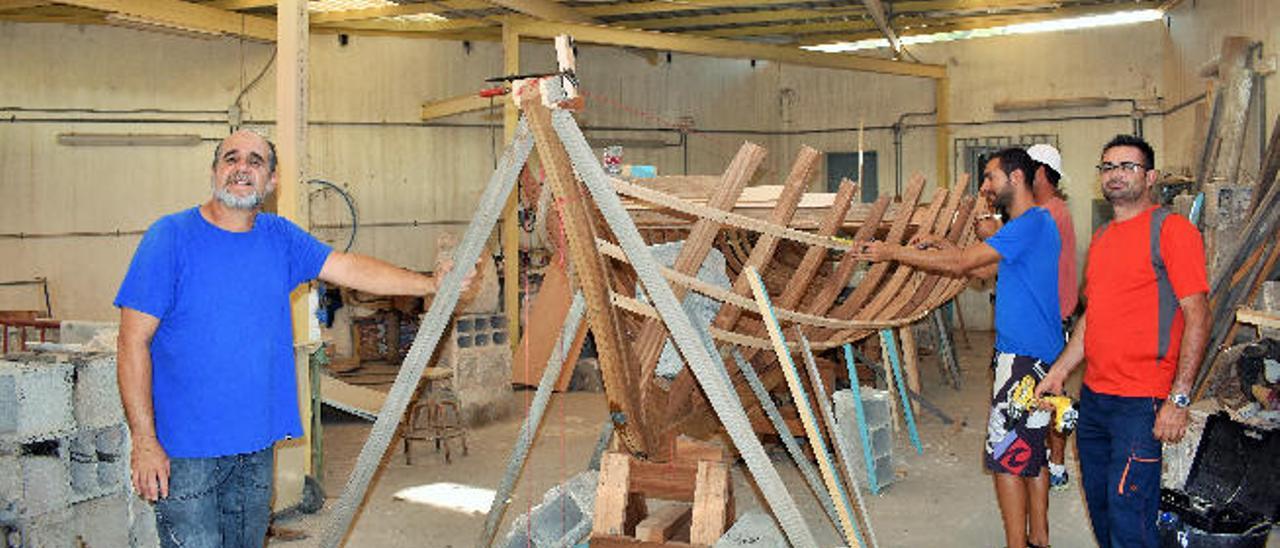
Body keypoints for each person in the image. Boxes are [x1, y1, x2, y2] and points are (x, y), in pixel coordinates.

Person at [115, 130, 474, 548]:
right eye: (231, 159)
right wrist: (144, 441)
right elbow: (131, 343)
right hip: (187, 451)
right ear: (214, 172)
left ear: (271, 181)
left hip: (255, 444)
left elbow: (350, 269)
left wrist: (430, 284)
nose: (242, 168)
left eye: (255, 161)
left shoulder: (279, 237)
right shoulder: (171, 237)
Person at [860, 147, 1062, 548]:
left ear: (1016, 178)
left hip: (1022, 357)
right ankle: (1039, 538)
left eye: (991, 177)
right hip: (1039, 354)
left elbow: (963, 265)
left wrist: (890, 253)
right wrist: (936, 243)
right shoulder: (1030, 225)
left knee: (1006, 457)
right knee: (1032, 451)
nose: (986, 187)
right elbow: (983, 267)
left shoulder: (1028, 224)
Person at [1036, 134, 1210, 548]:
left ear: (1149, 177)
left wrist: (1179, 398)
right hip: (1095, 398)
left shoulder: (1172, 230)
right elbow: (1092, 318)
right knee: (1100, 506)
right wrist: (1060, 372)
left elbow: (1198, 315)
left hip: (1142, 401)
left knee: (1129, 512)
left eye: (1127, 167)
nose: (1116, 175)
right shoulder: (1102, 240)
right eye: (1108, 167)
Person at [1025, 144, 1079, 491]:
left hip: (1046, 321)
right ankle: (1052, 461)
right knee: (1045, 395)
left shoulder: (1049, 214)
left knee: (1050, 396)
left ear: (1041, 173)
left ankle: (1056, 463)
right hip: (1048, 318)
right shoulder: (1051, 211)